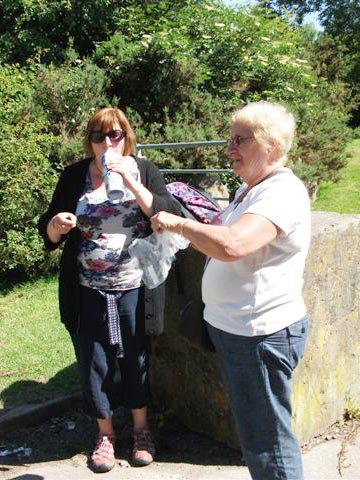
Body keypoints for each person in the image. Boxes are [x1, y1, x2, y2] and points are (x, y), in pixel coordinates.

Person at [151, 101, 311, 480]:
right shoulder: (250, 189)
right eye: (230, 139)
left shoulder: (281, 193)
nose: (229, 148)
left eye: (240, 140)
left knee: (269, 442)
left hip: (260, 335)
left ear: (270, 144)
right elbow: (221, 239)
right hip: (239, 330)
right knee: (257, 435)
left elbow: (232, 245)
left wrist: (177, 223)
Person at [38, 107, 180, 472]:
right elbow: (49, 234)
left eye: (115, 134)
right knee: (95, 361)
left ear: (126, 136)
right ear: (90, 140)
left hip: (135, 287)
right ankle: (105, 435)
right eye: (99, 136)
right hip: (88, 288)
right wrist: (56, 224)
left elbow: (165, 214)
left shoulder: (145, 170)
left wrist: (130, 181)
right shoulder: (74, 176)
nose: (107, 142)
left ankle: (141, 430)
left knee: (136, 357)